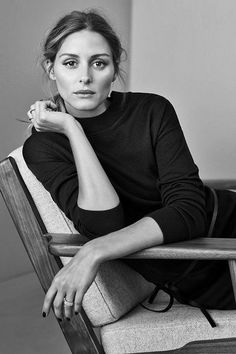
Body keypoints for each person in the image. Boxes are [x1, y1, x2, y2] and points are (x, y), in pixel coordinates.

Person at [23, 10, 236, 326]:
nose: (85, 77)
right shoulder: (43, 147)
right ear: (51, 69)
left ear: (114, 69)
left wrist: (95, 251)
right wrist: (72, 127)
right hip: (209, 271)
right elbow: (106, 223)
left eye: (99, 63)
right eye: (70, 63)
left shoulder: (152, 109)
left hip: (226, 228)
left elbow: (190, 212)